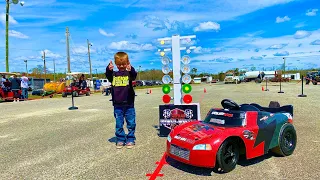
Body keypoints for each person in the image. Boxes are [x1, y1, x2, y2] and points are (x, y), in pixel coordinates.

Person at [105, 52, 137, 149]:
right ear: (115, 64)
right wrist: (108, 69)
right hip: (117, 104)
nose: (121, 66)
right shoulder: (114, 75)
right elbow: (108, 75)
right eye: (119, 64)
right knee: (119, 123)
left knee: (131, 122)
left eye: (123, 64)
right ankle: (120, 139)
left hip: (129, 104)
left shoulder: (129, 74)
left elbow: (134, 75)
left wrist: (131, 69)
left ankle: (130, 138)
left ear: (127, 63)